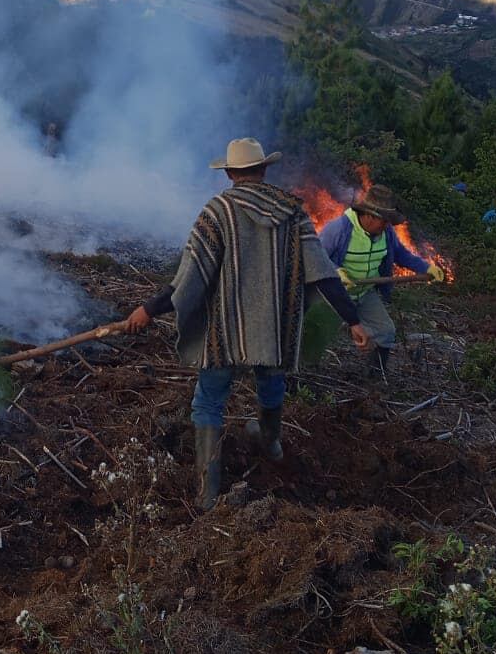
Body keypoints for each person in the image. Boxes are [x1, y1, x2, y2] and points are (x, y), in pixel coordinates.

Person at [123, 138, 367, 510]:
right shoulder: (292, 212)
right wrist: (353, 320)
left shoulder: (217, 211)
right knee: (271, 385)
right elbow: (323, 273)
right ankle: (270, 442)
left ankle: (207, 496)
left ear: (230, 174)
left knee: (209, 403)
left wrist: (148, 309)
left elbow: (189, 278)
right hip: (274, 330)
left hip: (226, 331)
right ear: (264, 169)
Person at [318, 185, 445, 380]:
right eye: (384, 220)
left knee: (386, 331)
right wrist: (336, 272)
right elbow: (317, 257)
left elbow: (401, 255)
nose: (387, 225)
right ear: (369, 216)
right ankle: (305, 380)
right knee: (316, 335)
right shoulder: (339, 229)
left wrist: (426, 268)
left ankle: (375, 377)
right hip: (335, 295)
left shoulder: (387, 233)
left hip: (364, 292)